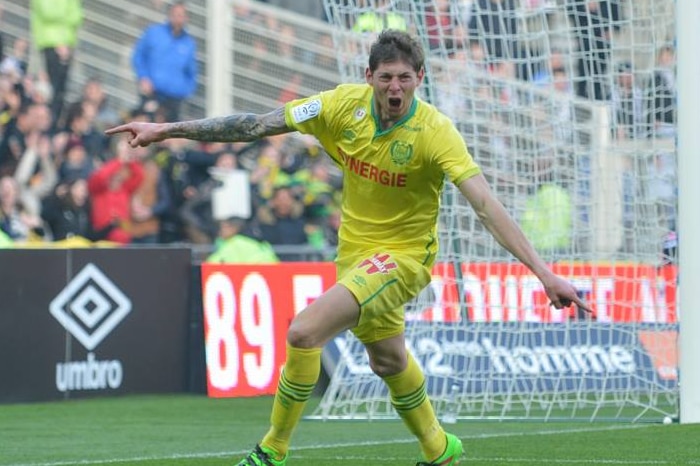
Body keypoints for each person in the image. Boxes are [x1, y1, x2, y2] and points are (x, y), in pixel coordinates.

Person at [106, 29, 590, 466]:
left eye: (405, 77)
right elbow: (255, 125)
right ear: (369, 77)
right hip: (355, 254)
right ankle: (440, 448)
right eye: (386, 78)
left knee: (303, 332)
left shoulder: (436, 131)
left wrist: (543, 273)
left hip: (403, 258)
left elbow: (484, 203)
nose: (395, 87)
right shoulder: (339, 106)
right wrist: (168, 131)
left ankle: (272, 450)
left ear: (420, 78)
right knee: (387, 361)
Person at [131, 1, 198, 122]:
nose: (177, 18)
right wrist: (143, 77)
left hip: (174, 99)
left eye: (181, 15)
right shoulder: (154, 33)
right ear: (169, 15)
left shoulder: (188, 43)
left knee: (170, 134)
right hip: (152, 93)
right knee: (146, 124)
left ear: (186, 18)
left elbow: (191, 72)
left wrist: (184, 91)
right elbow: (139, 56)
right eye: (175, 14)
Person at [29, 0, 83, 129]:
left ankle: (52, 128)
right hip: (49, 44)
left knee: (60, 93)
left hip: (66, 46)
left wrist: (64, 43)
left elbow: (77, 16)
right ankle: (43, 127)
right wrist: (60, 41)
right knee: (47, 91)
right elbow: (49, 12)